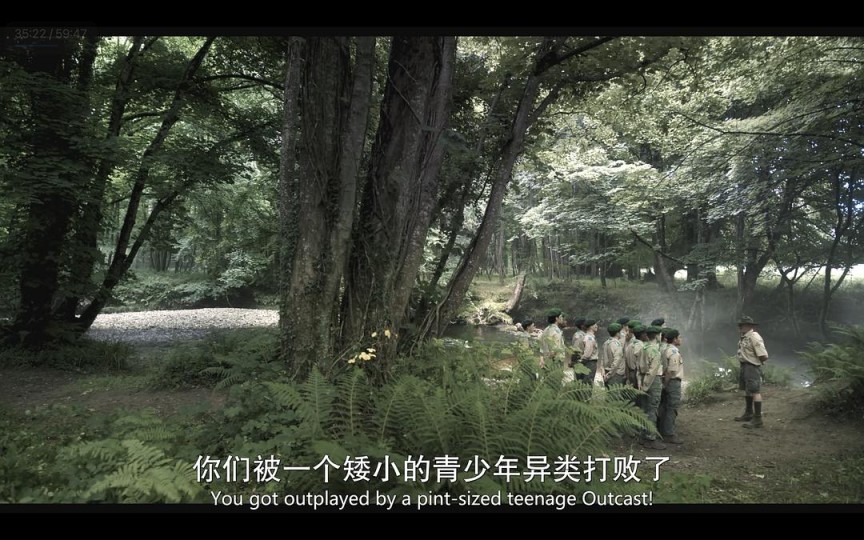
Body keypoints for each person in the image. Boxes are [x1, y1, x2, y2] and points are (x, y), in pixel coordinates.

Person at [735, 316, 769, 428]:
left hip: (752, 366)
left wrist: (755, 364)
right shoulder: (744, 337)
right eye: (740, 325)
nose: (740, 327)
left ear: (750, 326)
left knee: (755, 391)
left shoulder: (754, 337)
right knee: (748, 390)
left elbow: (763, 355)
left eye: (742, 325)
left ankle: (758, 419)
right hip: (745, 366)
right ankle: (748, 413)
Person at [639, 326, 666, 449]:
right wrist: (645, 386)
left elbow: (640, 368)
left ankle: (643, 435)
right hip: (652, 381)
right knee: (652, 409)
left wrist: (641, 383)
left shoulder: (644, 347)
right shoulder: (655, 351)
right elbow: (652, 371)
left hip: (643, 378)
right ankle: (650, 437)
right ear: (657, 336)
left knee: (645, 408)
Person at [659, 329, 684, 444]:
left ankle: (662, 429)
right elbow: (671, 371)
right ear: (674, 339)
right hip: (672, 382)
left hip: (666, 380)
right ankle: (668, 433)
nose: (681, 339)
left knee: (664, 406)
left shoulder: (665, 349)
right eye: (679, 337)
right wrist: (666, 384)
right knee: (672, 408)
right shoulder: (674, 352)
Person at [580, 319, 600, 384]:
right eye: (595, 324)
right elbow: (587, 354)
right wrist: (582, 360)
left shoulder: (590, 337)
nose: (596, 326)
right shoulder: (589, 338)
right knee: (588, 383)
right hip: (589, 363)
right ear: (591, 326)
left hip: (589, 362)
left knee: (588, 382)